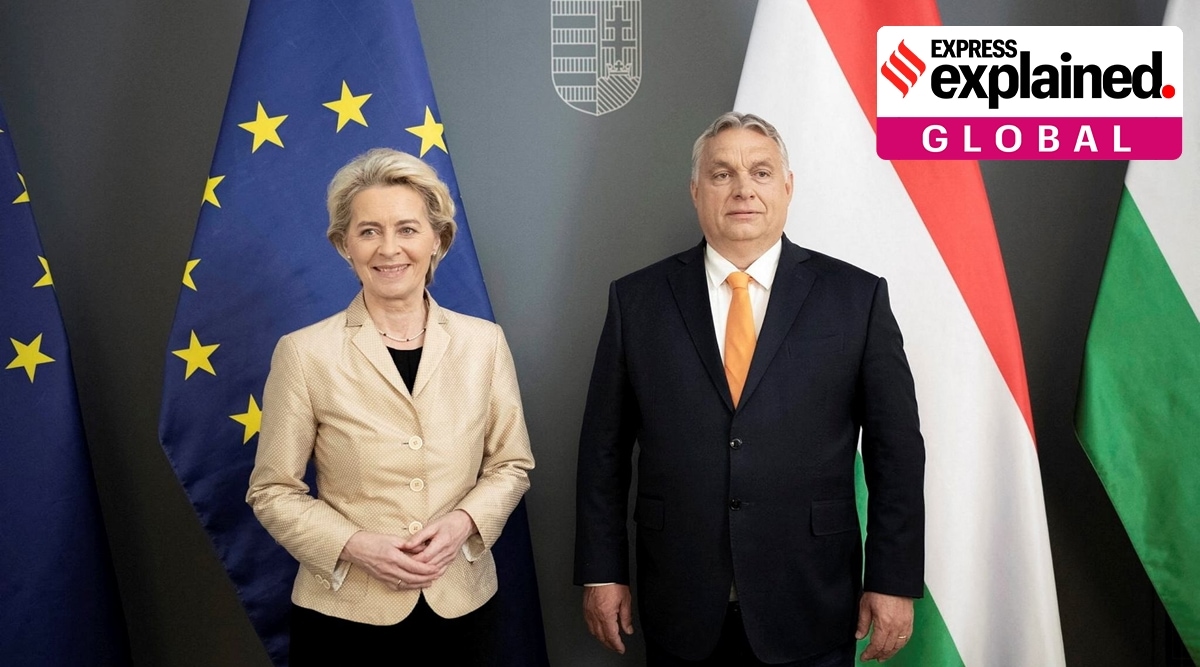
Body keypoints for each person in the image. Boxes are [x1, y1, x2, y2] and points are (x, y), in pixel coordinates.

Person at [574, 112, 925, 666]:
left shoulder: (856, 298)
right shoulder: (636, 300)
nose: (743, 189)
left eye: (761, 172)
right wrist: (602, 571)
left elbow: (896, 452)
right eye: (722, 174)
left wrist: (893, 579)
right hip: (679, 601)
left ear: (787, 187)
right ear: (696, 191)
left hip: (811, 597)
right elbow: (603, 452)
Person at [247, 148, 534, 666]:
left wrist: (463, 523)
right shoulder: (304, 353)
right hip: (344, 617)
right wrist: (354, 544)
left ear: (437, 239)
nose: (388, 248)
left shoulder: (484, 343)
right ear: (345, 245)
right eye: (368, 231)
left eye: (407, 229)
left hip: (463, 607)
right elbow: (272, 491)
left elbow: (511, 465)